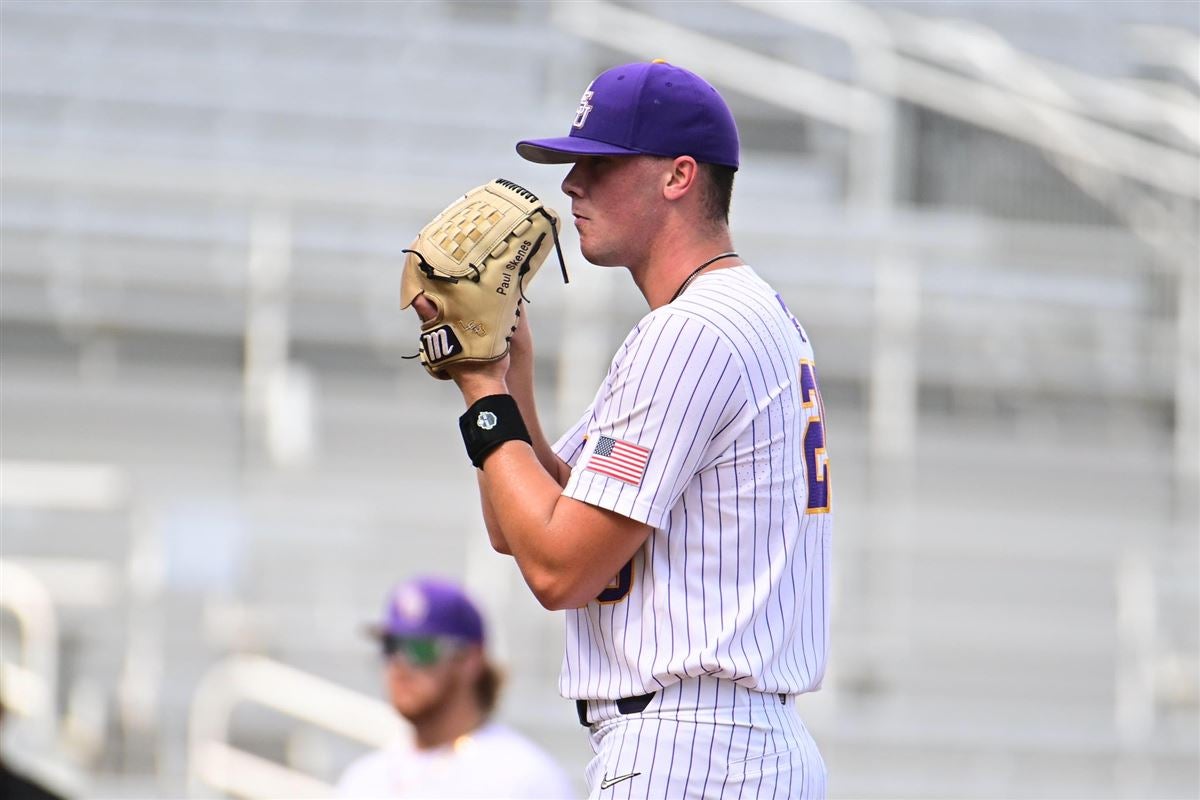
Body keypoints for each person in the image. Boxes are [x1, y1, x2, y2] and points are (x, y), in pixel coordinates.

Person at [410, 60, 833, 799]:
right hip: (729, 745)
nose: (573, 183)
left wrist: (479, 388)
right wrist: (508, 380)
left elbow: (560, 570)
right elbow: (525, 522)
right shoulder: (742, 312)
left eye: (601, 165)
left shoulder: (690, 331)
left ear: (678, 176)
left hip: (693, 749)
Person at [336, 576, 575, 799]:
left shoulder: (525, 779)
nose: (400, 664)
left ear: (470, 659)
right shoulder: (363, 780)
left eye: (421, 649)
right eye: (391, 646)